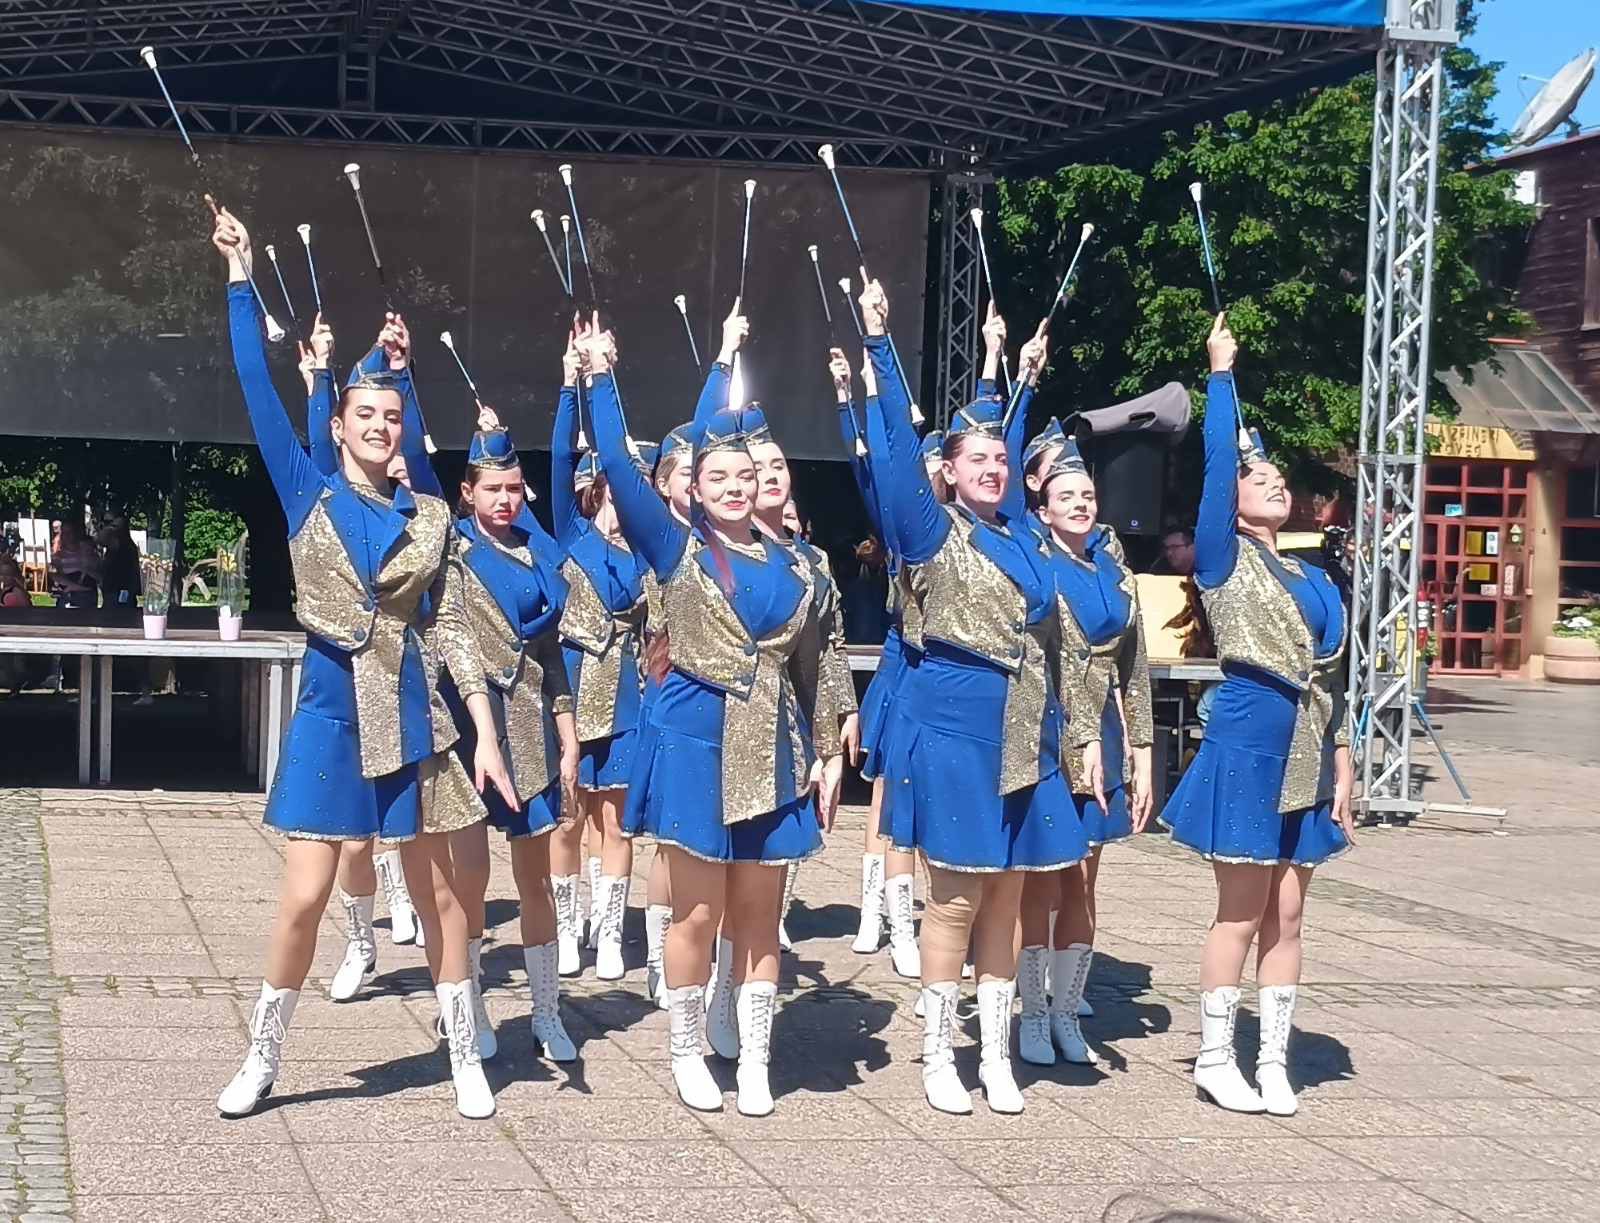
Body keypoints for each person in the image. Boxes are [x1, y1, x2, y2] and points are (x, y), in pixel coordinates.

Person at [210, 208, 516, 1121]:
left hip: (416, 717)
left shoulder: (432, 518)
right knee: (303, 896)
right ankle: (263, 1055)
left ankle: (462, 1050)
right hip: (331, 713)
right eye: (366, 415)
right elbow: (256, 387)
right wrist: (239, 278)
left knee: (441, 894)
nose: (381, 426)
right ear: (338, 425)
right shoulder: (308, 492)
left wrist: (486, 735)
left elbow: (452, 629)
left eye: (392, 415)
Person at [582, 320, 845, 1118]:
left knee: (760, 915)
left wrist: (827, 746)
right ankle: (688, 1048)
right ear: (693, 488)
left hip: (775, 747)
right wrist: (600, 377)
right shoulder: (679, 550)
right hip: (695, 738)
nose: (734, 486)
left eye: (745, 474)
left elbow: (814, 664)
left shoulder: (799, 565)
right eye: (717, 475)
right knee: (695, 911)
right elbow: (621, 469)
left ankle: (756, 1057)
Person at [864, 281, 1095, 1116]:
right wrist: (880, 343)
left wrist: (1020, 375)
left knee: (1007, 896)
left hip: (1026, 729)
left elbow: (1057, 642)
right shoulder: (932, 530)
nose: (993, 467)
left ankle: (995, 1052)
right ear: (950, 472)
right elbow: (896, 457)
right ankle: (938, 1053)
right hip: (956, 724)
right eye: (977, 460)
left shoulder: (1024, 536)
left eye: (1001, 458)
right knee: (957, 897)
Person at [1160, 314, 1356, 1117]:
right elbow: (1217, 471)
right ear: (1233, 505)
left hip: (1308, 746)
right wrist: (1220, 374)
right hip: (1247, 738)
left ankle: (1274, 1057)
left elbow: (1333, 678)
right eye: (1259, 478)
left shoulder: (1316, 576)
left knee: (1290, 911)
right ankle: (1216, 1056)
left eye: (1279, 477)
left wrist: (1343, 759)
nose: (1274, 483)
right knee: (1241, 909)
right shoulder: (1223, 555)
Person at [445, 405, 583, 1065]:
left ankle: (547, 1011)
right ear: (467, 491)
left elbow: (552, 654)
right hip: (468, 728)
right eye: (492, 488)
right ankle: (467, 1001)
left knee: (537, 880)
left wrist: (569, 733)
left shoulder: (536, 557)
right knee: (469, 880)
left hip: (529, 727)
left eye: (514, 487)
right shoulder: (451, 552)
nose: (505, 499)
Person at [1016, 435, 1154, 1068]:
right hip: (1047, 727)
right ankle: (1031, 1013)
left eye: (1088, 495)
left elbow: (1135, 669)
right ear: (1042, 508)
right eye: (1065, 495)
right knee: (1041, 879)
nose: (1079, 504)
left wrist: (1143, 751)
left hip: (1106, 729)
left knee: (1082, 881)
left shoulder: (1115, 573)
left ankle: (1067, 1010)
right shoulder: (1034, 565)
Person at [50, 516, 100, 610]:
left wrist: (84, 569)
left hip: (87, 598)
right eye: (64, 532)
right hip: (69, 597)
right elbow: (55, 576)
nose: (67, 536)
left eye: (70, 532)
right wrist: (74, 586)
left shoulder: (87, 552)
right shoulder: (58, 556)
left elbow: (98, 576)